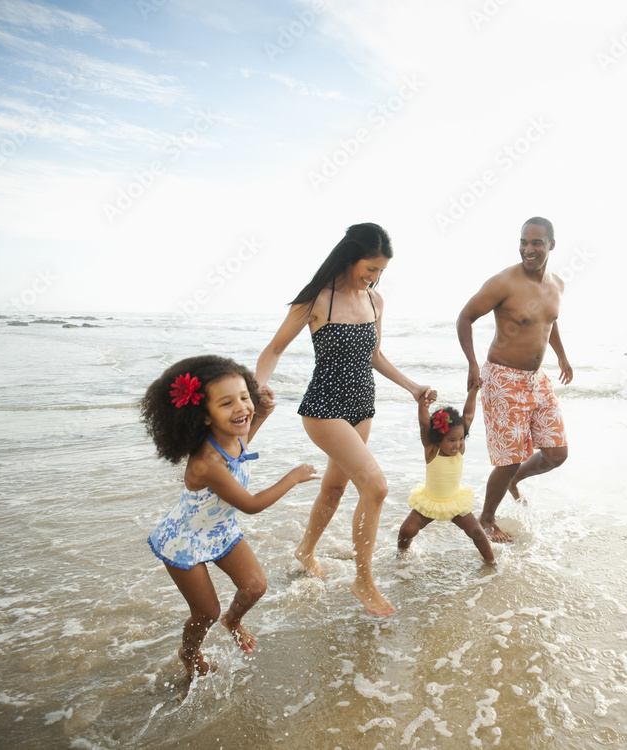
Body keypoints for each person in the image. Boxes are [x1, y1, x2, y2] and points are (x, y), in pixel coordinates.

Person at [255, 222, 434, 616]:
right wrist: (257, 387)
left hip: (361, 405)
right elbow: (274, 349)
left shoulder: (375, 301)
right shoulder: (318, 299)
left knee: (335, 489)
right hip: (324, 406)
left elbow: (375, 356)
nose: (374, 277)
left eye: (381, 272)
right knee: (376, 486)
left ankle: (305, 552)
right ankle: (364, 580)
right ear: (351, 257)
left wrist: (413, 388)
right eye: (370, 269)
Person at [141, 355, 318, 680]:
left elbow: (244, 438)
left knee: (254, 586)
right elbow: (250, 504)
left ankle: (233, 621)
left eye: (244, 397)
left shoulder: (232, 437)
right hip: (184, 540)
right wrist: (292, 478)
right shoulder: (207, 462)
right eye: (227, 403)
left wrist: (261, 411)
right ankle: (190, 654)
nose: (241, 408)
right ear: (203, 415)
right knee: (206, 611)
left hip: (219, 529)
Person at [456, 216, 573, 543]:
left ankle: (512, 481)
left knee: (556, 453)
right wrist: (472, 363)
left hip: (537, 380)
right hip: (502, 379)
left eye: (536, 242)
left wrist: (562, 355)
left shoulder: (558, 285)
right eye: (524, 241)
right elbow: (465, 317)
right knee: (509, 459)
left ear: (551, 244)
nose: (528, 249)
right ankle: (488, 519)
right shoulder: (504, 282)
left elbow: (548, 322)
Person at [397, 383, 495, 564]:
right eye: (451, 440)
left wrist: (473, 392)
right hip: (430, 503)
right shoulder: (431, 450)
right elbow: (424, 423)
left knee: (477, 533)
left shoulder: (459, 450)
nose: (457, 445)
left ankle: (491, 563)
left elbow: (468, 416)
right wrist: (423, 404)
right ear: (437, 439)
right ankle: (401, 556)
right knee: (407, 530)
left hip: (454, 503)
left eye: (460, 439)